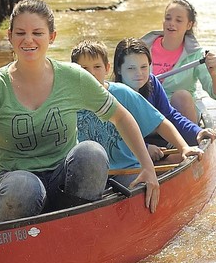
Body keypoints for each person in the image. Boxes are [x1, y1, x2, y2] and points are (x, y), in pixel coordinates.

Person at [0, 0, 159, 228]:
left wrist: (147, 168)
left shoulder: (73, 77)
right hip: (14, 183)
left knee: (92, 153)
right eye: (20, 33)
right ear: (10, 36)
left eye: (37, 33)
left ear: (52, 37)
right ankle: (19, 235)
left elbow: (121, 116)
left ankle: (76, 225)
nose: (28, 40)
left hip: (62, 181)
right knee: (25, 188)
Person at [70, 40, 201, 171]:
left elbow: (163, 119)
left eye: (97, 67)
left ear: (107, 68)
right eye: (84, 68)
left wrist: (187, 144)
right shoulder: (67, 99)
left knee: (183, 99)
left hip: (127, 167)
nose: (91, 73)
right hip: (90, 170)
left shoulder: (124, 92)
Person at [112, 37, 216, 149]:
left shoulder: (152, 82)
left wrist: (197, 132)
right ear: (119, 69)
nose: (139, 73)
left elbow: (170, 115)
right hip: (127, 150)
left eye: (144, 67)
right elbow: (113, 137)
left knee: (182, 153)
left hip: (156, 141)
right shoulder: (113, 95)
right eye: (131, 68)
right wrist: (146, 148)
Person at [140, 0, 216, 124]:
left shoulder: (197, 55)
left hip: (180, 113)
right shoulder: (141, 49)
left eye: (178, 20)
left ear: (189, 25)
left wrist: (213, 73)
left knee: (181, 96)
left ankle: (188, 139)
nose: (171, 23)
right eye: (168, 18)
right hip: (147, 108)